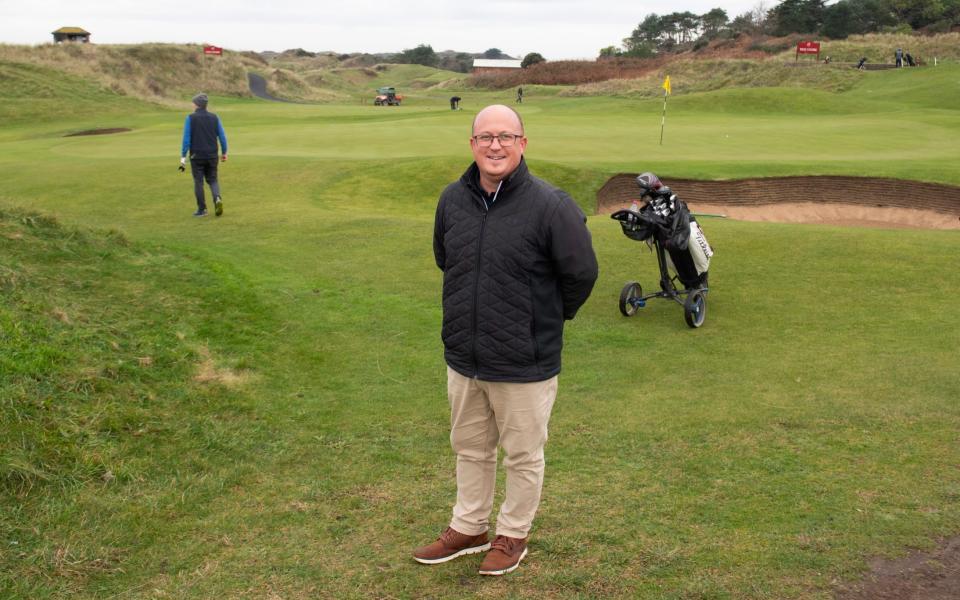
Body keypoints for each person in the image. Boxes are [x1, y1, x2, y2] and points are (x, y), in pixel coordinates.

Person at [414, 105, 598, 576]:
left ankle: (512, 534)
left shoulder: (550, 205)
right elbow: (445, 258)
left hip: (524, 360)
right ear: (472, 144)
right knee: (470, 447)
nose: (495, 145)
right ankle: (469, 526)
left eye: (506, 136)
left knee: (522, 455)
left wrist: (546, 320)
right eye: (485, 137)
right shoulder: (451, 199)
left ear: (522, 143)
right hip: (464, 356)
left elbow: (580, 273)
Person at [179, 93, 227, 217]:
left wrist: (183, 156)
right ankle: (217, 198)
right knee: (213, 180)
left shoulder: (190, 118)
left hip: (196, 156)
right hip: (212, 155)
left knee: (198, 182)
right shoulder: (215, 117)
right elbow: (222, 137)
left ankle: (202, 209)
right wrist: (224, 152)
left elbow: (186, 139)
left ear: (196, 104)